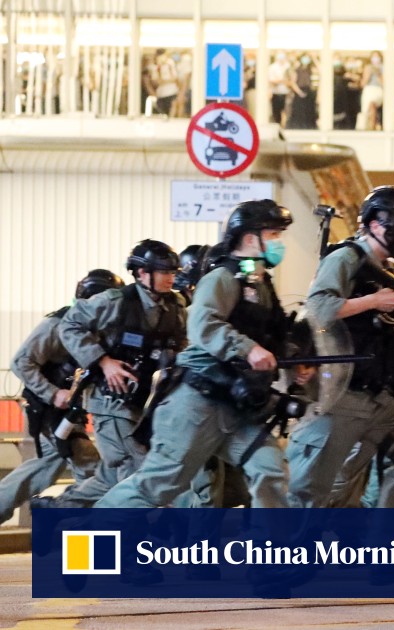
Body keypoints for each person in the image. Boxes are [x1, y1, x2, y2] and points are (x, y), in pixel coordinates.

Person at [95, 200, 295, 511]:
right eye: (273, 234)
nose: (278, 242)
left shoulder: (260, 284)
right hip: (197, 400)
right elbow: (203, 324)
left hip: (237, 405)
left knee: (269, 470)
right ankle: (85, 549)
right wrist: (248, 349)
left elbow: (277, 333)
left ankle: (272, 553)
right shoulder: (222, 278)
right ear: (248, 238)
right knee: (158, 486)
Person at [285, 186, 394, 509]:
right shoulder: (346, 258)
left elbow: (380, 323)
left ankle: (385, 542)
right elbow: (318, 308)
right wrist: (373, 301)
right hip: (343, 393)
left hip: (380, 395)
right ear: (376, 224)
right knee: (310, 490)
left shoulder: (389, 271)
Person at [38, 241, 187, 509]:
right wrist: (103, 361)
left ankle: (56, 512)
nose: (170, 279)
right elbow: (70, 325)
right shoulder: (114, 302)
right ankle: (118, 543)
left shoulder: (175, 307)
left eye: (173, 273)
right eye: (164, 272)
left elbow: (184, 345)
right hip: (112, 403)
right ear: (141, 273)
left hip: (147, 405)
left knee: (109, 478)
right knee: (138, 473)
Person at [1, 271, 118, 522]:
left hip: (70, 412)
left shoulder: (98, 331)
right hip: (47, 410)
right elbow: (21, 362)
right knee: (92, 469)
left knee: (41, 468)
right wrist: (53, 394)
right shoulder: (56, 325)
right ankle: (85, 539)